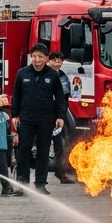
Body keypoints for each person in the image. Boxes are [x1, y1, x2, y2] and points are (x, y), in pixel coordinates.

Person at [10, 43, 66, 194]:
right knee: (23, 151)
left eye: (40, 57)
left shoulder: (52, 75)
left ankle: (40, 183)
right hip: (26, 118)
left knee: (43, 151)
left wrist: (60, 116)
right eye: (34, 56)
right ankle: (22, 184)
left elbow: (60, 98)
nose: (36, 60)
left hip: (46, 119)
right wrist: (14, 115)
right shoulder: (22, 74)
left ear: (46, 58)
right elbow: (16, 96)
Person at [46, 52, 74, 184]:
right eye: (55, 61)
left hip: (57, 117)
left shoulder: (63, 77)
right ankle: (39, 178)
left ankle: (60, 173)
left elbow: (65, 99)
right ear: (49, 61)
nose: (57, 64)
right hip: (42, 116)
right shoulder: (42, 75)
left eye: (60, 61)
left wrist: (62, 116)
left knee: (60, 146)